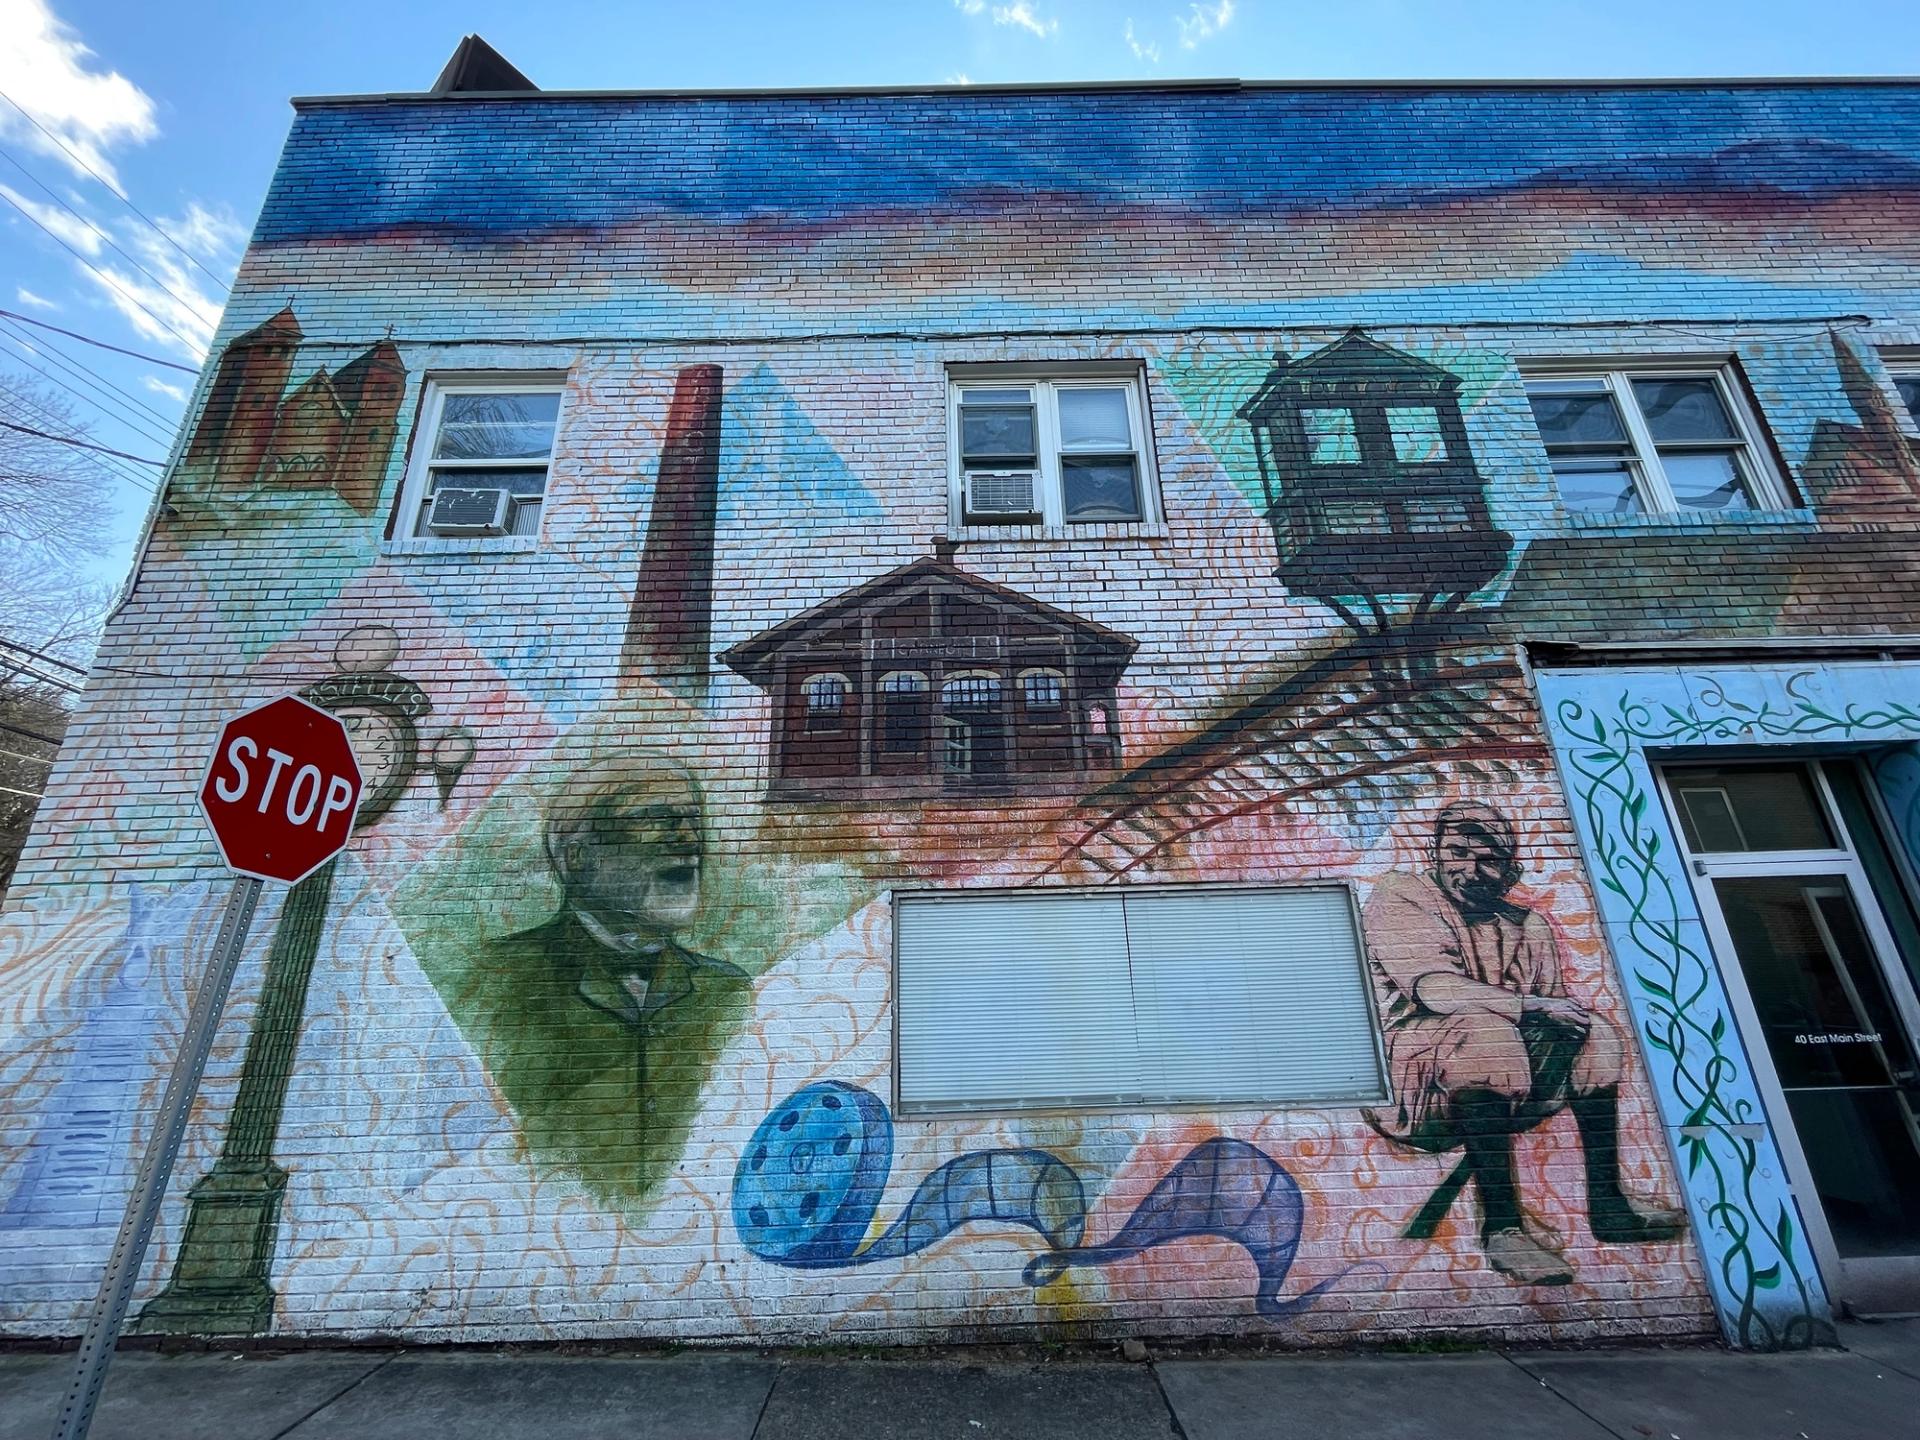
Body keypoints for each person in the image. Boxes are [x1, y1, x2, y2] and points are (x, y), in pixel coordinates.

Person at [1364, 800, 1685, 1285]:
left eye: (1487, 858)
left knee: (1594, 1031)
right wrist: (1533, 1008)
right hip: (1413, 1089)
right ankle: (1503, 1228)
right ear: (1435, 854)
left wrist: (1557, 1021)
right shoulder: (1403, 895)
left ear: (1510, 869)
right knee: (1486, 1030)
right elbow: (1433, 988)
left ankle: (1609, 1204)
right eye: (1456, 853)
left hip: (1504, 1085)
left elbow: (1555, 1019)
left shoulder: (1527, 927)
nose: (1469, 870)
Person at [464, 750, 750, 1209]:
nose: (690, 839)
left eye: (694, 820)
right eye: (656, 818)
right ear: (579, 857)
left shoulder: (729, 993)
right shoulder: (493, 983)